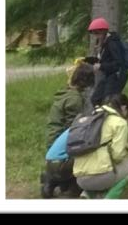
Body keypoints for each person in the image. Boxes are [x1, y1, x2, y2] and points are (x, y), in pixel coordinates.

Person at [41, 61, 95, 198]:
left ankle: (56, 180)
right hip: (58, 143)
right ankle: (58, 180)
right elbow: (74, 130)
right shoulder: (75, 100)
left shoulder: (66, 93)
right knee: (87, 154)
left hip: (52, 141)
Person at [73, 93, 128, 199]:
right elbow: (117, 156)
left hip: (79, 179)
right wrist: (126, 151)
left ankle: (87, 195)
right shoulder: (120, 123)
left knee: (97, 166)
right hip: (101, 177)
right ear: (124, 107)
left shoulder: (91, 116)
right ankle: (109, 199)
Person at [85, 17, 128, 106]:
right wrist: (86, 60)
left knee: (109, 102)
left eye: (97, 33)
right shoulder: (104, 43)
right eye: (94, 33)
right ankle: (99, 118)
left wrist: (101, 67)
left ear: (103, 31)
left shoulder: (112, 43)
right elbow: (103, 60)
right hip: (109, 75)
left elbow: (118, 63)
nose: (96, 36)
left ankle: (115, 118)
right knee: (95, 99)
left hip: (117, 75)